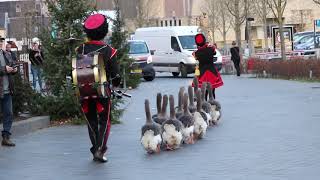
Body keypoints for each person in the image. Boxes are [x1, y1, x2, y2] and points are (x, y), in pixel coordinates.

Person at [76, 13, 121, 163]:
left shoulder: (80, 49)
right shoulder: (109, 51)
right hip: (103, 92)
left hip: (84, 91)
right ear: (104, 30)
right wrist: (115, 85)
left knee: (91, 120)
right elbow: (116, 76)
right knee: (104, 121)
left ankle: (94, 148)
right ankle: (100, 150)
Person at [192, 33, 223, 99]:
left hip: (202, 73)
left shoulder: (196, 53)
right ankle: (213, 104)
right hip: (212, 72)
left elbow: (196, 58)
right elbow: (214, 52)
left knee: (204, 91)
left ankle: (205, 105)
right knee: (212, 91)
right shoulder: (211, 49)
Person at [0, 36, 17, 146]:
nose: (0, 42)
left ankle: (6, 137)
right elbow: (4, 69)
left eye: (1, 41)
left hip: (7, 90)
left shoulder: (6, 53)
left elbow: (11, 64)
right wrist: (4, 69)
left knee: (9, 114)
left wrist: (14, 69)